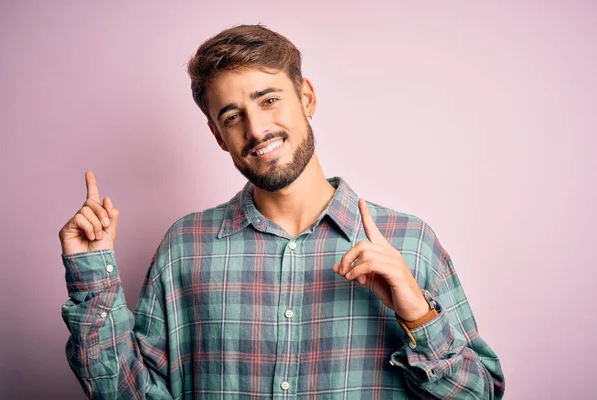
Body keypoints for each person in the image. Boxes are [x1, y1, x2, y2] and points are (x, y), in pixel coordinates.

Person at [59, 24, 505, 399]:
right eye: (232, 117)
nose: (256, 129)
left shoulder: (409, 243)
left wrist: (417, 315)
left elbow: (480, 394)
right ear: (217, 135)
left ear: (306, 97)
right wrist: (91, 273)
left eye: (269, 100)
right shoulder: (184, 248)